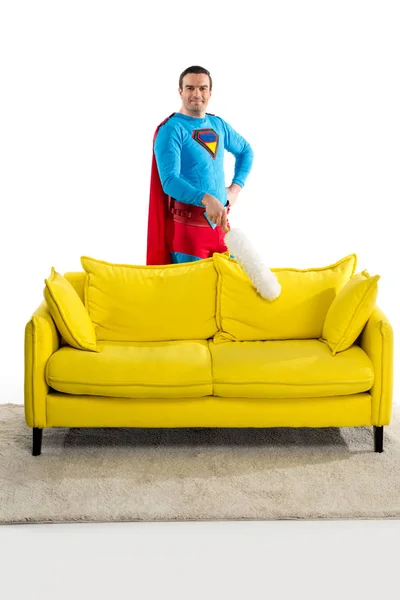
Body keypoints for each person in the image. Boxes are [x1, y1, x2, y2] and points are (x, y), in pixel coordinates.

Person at [146, 65, 254, 265]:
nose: (197, 94)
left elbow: (246, 151)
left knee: (229, 292)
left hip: (222, 230)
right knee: (189, 295)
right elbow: (169, 181)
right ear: (180, 92)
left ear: (210, 92)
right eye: (190, 88)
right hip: (189, 235)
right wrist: (205, 199)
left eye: (202, 88)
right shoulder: (171, 130)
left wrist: (235, 188)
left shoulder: (218, 125)